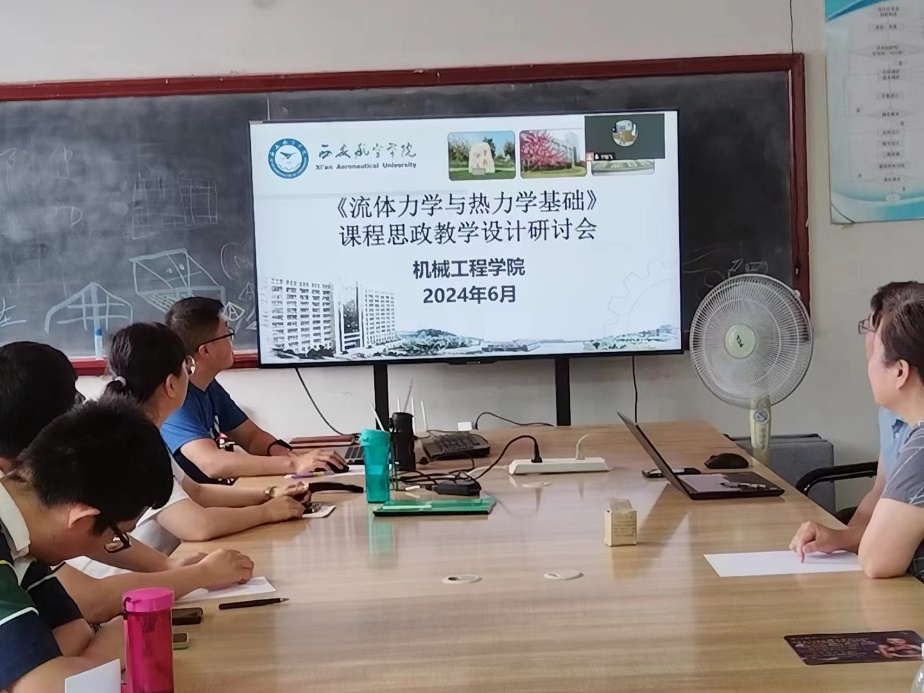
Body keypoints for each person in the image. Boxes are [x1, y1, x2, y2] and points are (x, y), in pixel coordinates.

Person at [0, 342, 254, 623]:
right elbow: (89, 600)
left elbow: (92, 529)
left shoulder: (26, 486)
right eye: (73, 400)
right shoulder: (24, 507)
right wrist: (199, 575)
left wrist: (166, 565)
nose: (82, 405)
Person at [68, 322, 308, 581]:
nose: (190, 374)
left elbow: (197, 491)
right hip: (116, 583)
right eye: (187, 367)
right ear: (171, 385)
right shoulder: (129, 444)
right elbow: (197, 525)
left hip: (152, 572)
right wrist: (267, 512)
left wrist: (267, 495)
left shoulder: (139, 431)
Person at [0, 397, 172, 691]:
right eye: (117, 535)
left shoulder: (23, 539)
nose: (112, 544)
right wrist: (110, 650)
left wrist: (68, 666)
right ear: (82, 518)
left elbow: (75, 633)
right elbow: (47, 687)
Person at [794, 288, 924, 579]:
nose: (869, 364)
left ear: (900, 372)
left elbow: (877, 560)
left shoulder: (921, 450)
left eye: (876, 353)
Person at [162, 297, 346, 484]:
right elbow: (213, 464)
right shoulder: (174, 399)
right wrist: (294, 464)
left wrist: (285, 454)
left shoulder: (209, 386)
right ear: (205, 351)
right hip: (193, 501)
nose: (232, 340)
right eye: (227, 334)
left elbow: (251, 437)